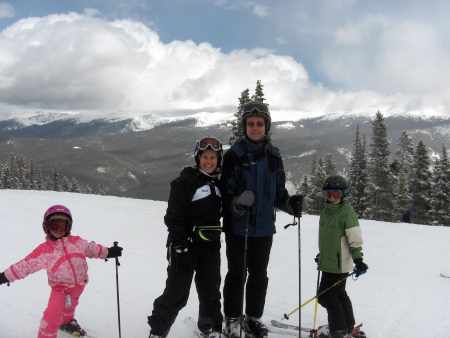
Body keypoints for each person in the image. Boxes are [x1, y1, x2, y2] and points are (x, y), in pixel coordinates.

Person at [220, 101, 303, 338]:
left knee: (259, 276)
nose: (255, 128)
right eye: (250, 124)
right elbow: (224, 192)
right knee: (237, 274)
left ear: (266, 126)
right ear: (244, 126)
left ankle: (252, 318)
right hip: (238, 228)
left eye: (259, 124)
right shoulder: (233, 156)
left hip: (265, 229)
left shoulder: (274, 156)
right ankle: (232, 319)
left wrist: (290, 205)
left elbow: (278, 194)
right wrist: (236, 203)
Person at [0, 204, 123, 338]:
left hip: (79, 285)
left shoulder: (77, 242)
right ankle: (46, 335)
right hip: (60, 289)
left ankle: (66, 322)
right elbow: (24, 266)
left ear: (68, 227)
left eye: (62, 226)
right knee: (52, 317)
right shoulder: (45, 250)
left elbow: (92, 249)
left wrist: (109, 252)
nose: (59, 229)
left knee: (70, 307)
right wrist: (4, 277)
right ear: (47, 227)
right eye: (54, 225)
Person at [148, 137, 224, 338]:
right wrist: (180, 242)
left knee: (211, 291)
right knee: (177, 293)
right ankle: (158, 330)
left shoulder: (219, 184)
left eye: (213, 157)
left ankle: (210, 327)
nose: (209, 161)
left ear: (218, 160)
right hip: (185, 246)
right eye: (205, 157)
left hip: (210, 246)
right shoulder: (185, 182)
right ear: (198, 158)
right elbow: (172, 217)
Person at [316, 175, 368, 338]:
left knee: (326, 296)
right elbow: (329, 238)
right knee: (338, 294)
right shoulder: (325, 210)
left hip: (339, 265)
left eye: (336, 194)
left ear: (344, 194)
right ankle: (347, 326)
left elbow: (354, 239)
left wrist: (358, 260)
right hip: (327, 262)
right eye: (328, 194)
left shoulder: (346, 212)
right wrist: (322, 254)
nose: (331, 197)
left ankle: (338, 330)